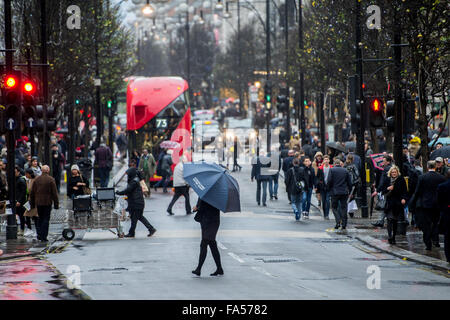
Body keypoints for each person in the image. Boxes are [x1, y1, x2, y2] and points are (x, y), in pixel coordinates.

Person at [409, 161, 446, 250]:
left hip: (425, 204)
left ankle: (428, 243)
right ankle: (435, 240)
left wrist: (412, 202)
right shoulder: (441, 177)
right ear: (435, 166)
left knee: (427, 224)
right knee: (436, 222)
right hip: (437, 204)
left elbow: (417, 192)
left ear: (427, 166)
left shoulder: (422, 177)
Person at [116, 167, 157, 238]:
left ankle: (132, 233)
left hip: (136, 203)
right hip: (138, 203)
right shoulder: (135, 180)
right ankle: (150, 229)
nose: (127, 176)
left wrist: (119, 193)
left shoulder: (134, 181)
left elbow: (128, 190)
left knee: (134, 218)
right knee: (139, 217)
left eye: (128, 174)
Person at [191, 199, 223, 277]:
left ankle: (198, 269)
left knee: (204, 243)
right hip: (206, 221)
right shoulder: (207, 193)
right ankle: (219, 269)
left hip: (212, 222)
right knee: (212, 244)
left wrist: (197, 208)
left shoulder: (211, 194)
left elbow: (204, 206)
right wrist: (197, 207)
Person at [30, 165, 59, 242]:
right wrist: (56, 204)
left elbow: (32, 193)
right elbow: (54, 193)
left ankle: (39, 234)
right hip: (47, 202)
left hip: (38, 202)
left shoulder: (37, 179)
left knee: (40, 218)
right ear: (48, 171)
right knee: (46, 219)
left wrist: (32, 204)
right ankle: (44, 236)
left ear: (42, 171)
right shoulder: (51, 179)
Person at [381, 166, 408, 244]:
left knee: (395, 220)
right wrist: (388, 188)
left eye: (395, 172)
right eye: (392, 172)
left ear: (397, 173)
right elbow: (383, 190)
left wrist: (404, 198)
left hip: (397, 203)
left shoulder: (401, 180)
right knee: (389, 219)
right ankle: (390, 235)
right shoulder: (387, 180)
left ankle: (393, 236)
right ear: (390, 173)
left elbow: (405, 191)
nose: (394, 174)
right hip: (389, 202)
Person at [327, 158, 352, 230]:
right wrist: (349, 191)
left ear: (334, 164)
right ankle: (344, 224)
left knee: (334, 207)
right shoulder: (345, 170)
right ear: (340, 164)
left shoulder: (332, 170)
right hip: (344, 192)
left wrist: (329, 189)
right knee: (344, 208)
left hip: (335, 192)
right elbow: (349, 182)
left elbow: (329, 180)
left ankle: (338, 221)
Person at [372, 155, 393, 227]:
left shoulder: (386, 169)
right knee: (386, 206)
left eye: (384, 161)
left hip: (387, 190)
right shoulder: (391, 168)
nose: (382, 163)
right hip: (390, 189)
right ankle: (381, 221)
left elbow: (383, 181)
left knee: (385, 205)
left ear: (388, 162)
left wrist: (377, 191)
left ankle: (381, 221)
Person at [437, 171, 450, 262]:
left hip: (447, 213)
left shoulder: (442, 186)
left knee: (447, 236)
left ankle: (448, 256)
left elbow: (439, 201)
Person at [315, 155, 333, 220]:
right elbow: (317, 178)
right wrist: (317, 186)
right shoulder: (320, 168)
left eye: (327, 159)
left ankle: (327, 214)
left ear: (329, 160)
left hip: (329, 186)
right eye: (325, 160)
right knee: (324, 200)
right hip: (322, 187)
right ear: (323, 161)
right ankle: (325, 213)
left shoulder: (332, 168)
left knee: (328, 200)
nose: (326, 161)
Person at [15, 166, 31, 236]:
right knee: (21, 216)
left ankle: (23, 229)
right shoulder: (17, 179)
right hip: (19, 201)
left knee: (23, 216)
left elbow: (23, 192)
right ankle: (23, 229)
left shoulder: (21, 180)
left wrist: (19, 201)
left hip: (21, 202)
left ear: (18, 172)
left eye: (15, 172)